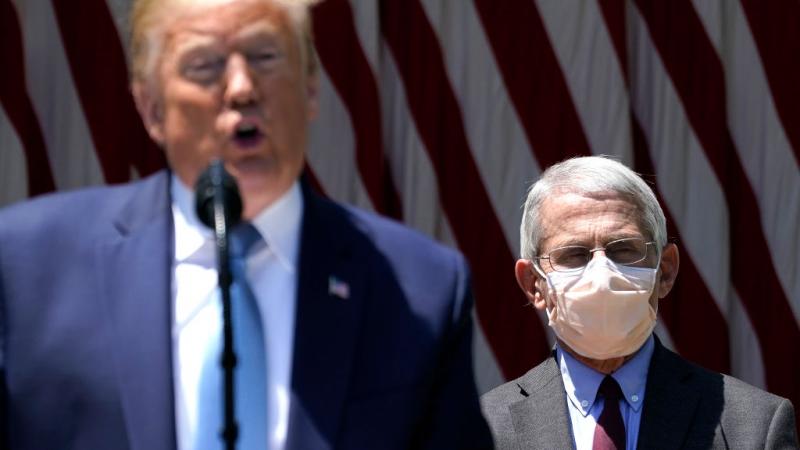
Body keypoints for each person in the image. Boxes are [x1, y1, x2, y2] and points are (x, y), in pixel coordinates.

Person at [0, 0, 492, 448]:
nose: (241, 88)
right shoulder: (25, 267)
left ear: (311, 86)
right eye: (204, 65)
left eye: (265, 57)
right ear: (151, 108)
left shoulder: (418, 287)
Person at [480, 156, 799, 449]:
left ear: (665, 271)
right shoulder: (479, 430)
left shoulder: (754, 427)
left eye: (623, 250)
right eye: (574, 255)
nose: (601, 275)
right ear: (533, 284)